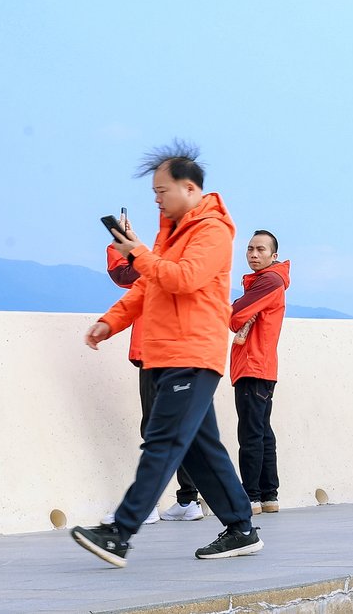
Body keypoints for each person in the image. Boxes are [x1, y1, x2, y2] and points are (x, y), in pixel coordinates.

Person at [70, 142, 261, 566]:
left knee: (162, 442)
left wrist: (137, 253)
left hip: (191, 353)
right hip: (167, 354)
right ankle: (241, 528)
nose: (156, 199)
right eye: (154, 192)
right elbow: (147, 286)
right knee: (198, 447)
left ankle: (119, 533)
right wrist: (110, 322)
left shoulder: (212, 231)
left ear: (189, 188)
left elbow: (183, 278)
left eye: (162, 191)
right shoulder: (170, 234)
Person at [104, 214, 202, 525]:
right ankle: (188, 500)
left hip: (158, 353)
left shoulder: (163, 263)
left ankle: (145, 506)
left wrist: (120, 243)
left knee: (155, 429)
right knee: (180, 429)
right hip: (184, 353)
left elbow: (124, 275)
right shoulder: (189, 259)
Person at [229, 230, 290, 514]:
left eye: (261, 250)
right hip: (262, 366)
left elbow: (234, 317)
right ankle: (268, 496)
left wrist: (234, 308)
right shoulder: (266, 281)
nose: (253, 254)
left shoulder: (269, 280)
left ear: (273, 255)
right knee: (262, 431)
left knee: (251, 434)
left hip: (253, 365)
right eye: (250, 249)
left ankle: (250, 497)